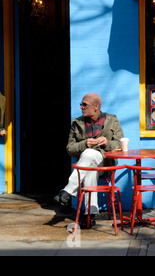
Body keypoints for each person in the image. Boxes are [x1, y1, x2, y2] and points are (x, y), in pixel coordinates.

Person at [54, 93, 124, 228]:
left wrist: (106, 143)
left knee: (90, 153)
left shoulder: (112, 120)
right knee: (90, 164)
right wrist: (85, 143)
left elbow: (120, 144)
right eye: (81, 104)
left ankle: (68, 191)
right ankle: (89, 215)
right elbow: (70, 149)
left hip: (106, 163)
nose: (81, 107)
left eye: (84, 104)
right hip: (87, 166)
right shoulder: (77, 124)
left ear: (96, 106)